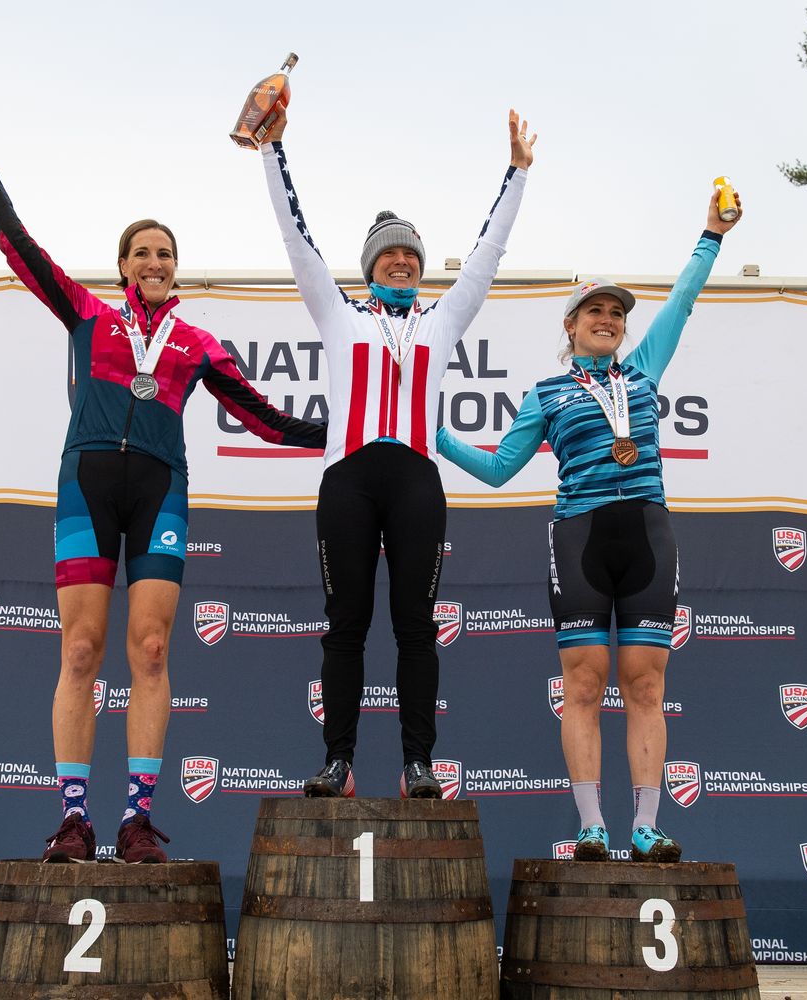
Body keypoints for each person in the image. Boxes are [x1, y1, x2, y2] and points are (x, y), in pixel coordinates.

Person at [0, 113, 325, 862]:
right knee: (80, 650)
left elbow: (268, 421)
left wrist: (353, 431)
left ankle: (136, 821)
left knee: (148, 649)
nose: (155, 262)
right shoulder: (86, 314)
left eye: (165, 254)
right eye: (142, 252)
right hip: (86, 481)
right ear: (121, 267)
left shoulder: (199, 344)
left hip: (161, 492)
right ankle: (74, 820)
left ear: (177, 268)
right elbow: (20, 248)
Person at [436, 187, 742, 860]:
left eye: (615, 314)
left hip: (648, 536)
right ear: (571, 327)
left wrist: (711, 235)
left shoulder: (641, 371)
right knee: (582, 683)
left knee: (645, 683)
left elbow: (683, 302)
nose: (607, 320)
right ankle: (592, 826)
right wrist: (434, 436)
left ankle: (646, 826)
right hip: (579, 537)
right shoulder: (545, 395)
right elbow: (498, 470)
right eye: (594, 311)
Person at [257, 107, 535, 798]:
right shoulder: (338, 313)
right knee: (344, 625)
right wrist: (272, 150)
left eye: (411, 255)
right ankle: (338, 761)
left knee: (416, 626)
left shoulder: (443, 318)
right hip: (347, 480)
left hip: (416, 479)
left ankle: (418, 765)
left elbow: (486, 255)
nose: (403, 262)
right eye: (390, 255)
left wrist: (518, 173)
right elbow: (297, 239)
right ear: (371, 265)